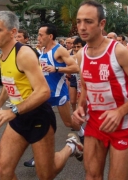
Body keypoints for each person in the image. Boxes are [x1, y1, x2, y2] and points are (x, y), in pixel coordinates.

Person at [0, 11, 83, 180]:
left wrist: (11, 111)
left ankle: (71, 147)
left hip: (38, 117)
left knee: (46, 174)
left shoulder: (24, 54)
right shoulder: (2, 56)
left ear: (13, 32)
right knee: (3, 171)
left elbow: (44, 92)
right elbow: (9, 85)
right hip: (18, 116)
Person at [73, 0, 128, 180]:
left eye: (88, 21)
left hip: (122, 124)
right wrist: (80, 106)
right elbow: (86, 86)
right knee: (92, 176)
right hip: (95, 123)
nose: (82, 27)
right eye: (79, 21)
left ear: (102, 24)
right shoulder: (80, 55)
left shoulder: (118, 51)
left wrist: (119, 112)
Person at [23, 24, 84, 167]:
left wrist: (56, 68)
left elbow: (75, 67)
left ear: (50, 36)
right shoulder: (42, 50)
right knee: (39, 123)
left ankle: (82, 133)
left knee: (68, 122)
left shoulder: (59, 50)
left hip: (58, 92)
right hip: (44, 94)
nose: (38, 37)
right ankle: (37, 155)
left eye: (40, 35)